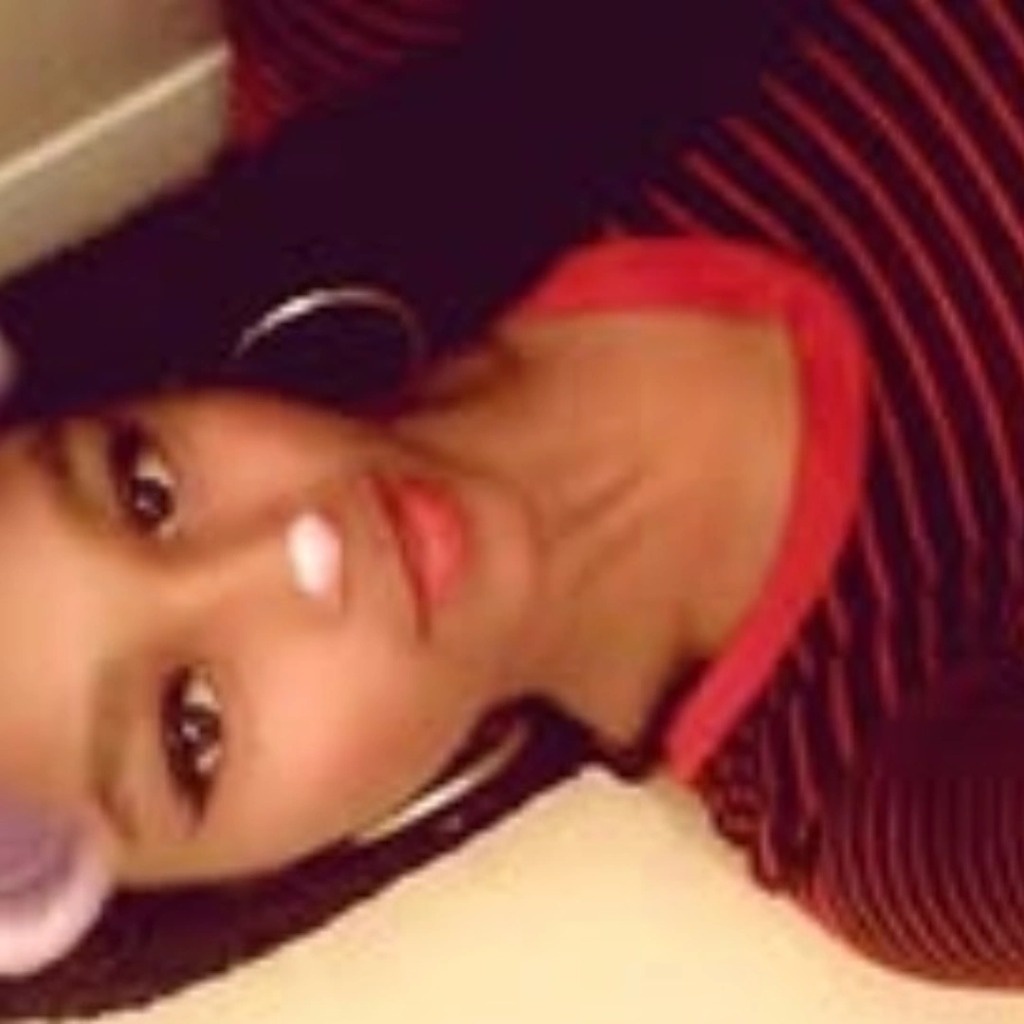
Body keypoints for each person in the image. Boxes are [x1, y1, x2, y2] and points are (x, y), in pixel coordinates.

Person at [0, 0, 1023, 1015]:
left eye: (143, 489)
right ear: (255, 881)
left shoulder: (379, 80)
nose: (297, 549)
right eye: (193, 729)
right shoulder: (888, 800)